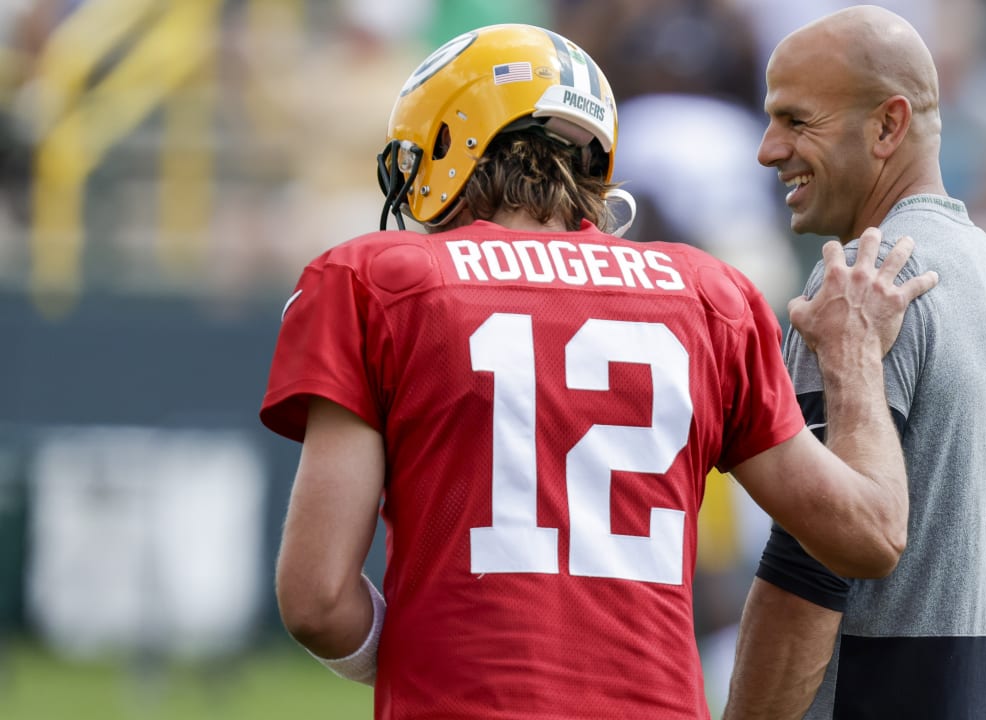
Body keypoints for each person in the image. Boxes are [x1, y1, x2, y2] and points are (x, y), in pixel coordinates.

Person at [258, 23, 937, 719]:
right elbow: (871, 535)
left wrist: (425, 658)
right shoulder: (708, 294)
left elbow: (317, 600)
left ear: (448, 141)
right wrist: (854, 359)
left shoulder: (378, 280)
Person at [724, 6, 986, 720]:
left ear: (887, 125)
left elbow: (806, 575)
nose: (766, 149)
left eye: (796, 120)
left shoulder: (859, 283)